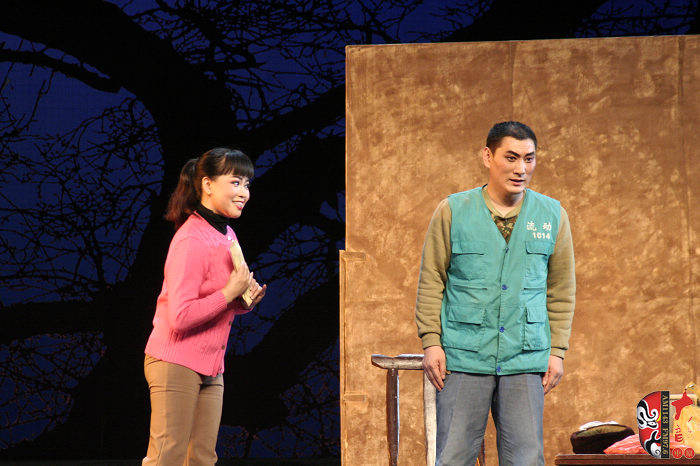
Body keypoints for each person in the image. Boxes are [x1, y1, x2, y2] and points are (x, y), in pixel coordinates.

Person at [415, 122, 575, 466]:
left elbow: (561, 290)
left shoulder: (552, 215)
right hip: (464, 355)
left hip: (525, 357)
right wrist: (431, 342)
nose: (521, 169)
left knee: (526, 460)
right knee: (453, 457)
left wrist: (557, 351)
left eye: (529, 159)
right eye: (511, 157)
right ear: (488, 157)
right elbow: (431, 280)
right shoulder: (453, 210)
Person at [142, 147, 267, 465]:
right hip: (175, 361)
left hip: (211, 365)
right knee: (167, 457)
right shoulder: (191, 239)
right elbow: (181, 317)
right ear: (208, 184)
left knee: (201, 458)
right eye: (235, 182)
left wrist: (243, 300)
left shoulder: (227, 234)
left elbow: (221, 301)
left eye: (247, 184)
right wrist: (229, 293)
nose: (244, 192)